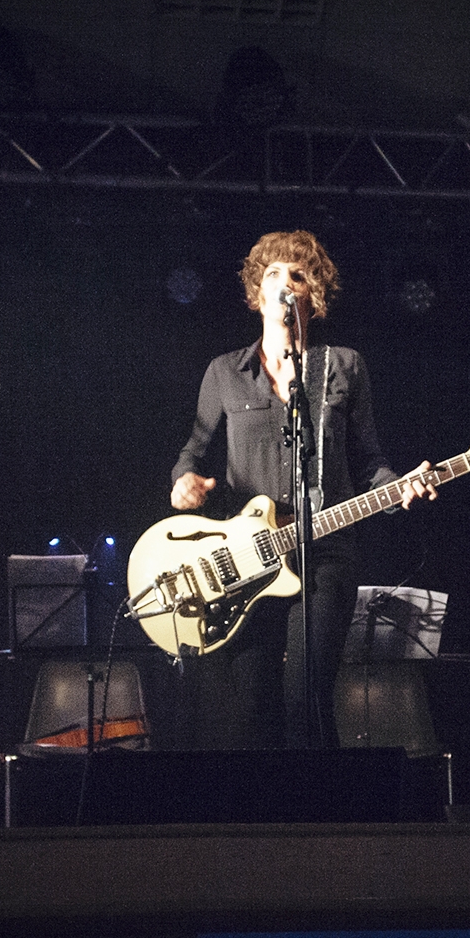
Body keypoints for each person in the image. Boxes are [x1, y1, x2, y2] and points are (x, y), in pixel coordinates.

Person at [169, 229, 436, 749]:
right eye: (273, 275)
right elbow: (193, 451)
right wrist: (185, 484)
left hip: (326, 551)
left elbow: (370, 459)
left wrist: (398, 486)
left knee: (306, 698)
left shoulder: (344, 366)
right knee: (252, 706)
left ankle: (321, 820)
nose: (285, 284)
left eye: (298, 275)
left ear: (313, 294)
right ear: (256, 295)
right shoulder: (224, 372)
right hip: (246, 560)